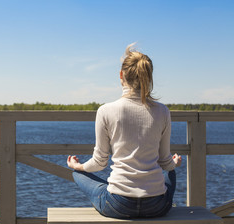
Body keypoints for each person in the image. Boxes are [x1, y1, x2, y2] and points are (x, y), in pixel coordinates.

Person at [67, 43, 182, 219]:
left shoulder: (105, 111)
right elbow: (165, 162)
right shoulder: (163, 111)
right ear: (148, 77)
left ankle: (90, 177)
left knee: (79, 175)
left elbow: (99, 163)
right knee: (171, 173)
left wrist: (78, 166)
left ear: (121, 75)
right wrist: (174, 163)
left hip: (119, 204)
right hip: (157, 205)